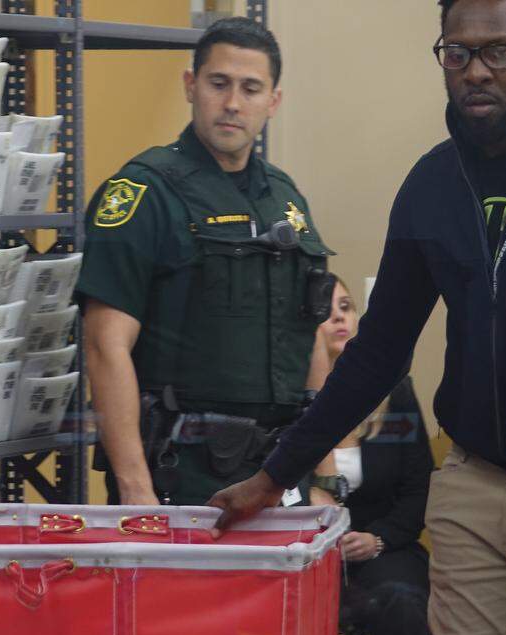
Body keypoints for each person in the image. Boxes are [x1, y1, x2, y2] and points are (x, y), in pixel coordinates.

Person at [208, 0, 506, 635]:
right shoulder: (432, 185)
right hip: (470, 488)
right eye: (456, 53)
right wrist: (274, 476)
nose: (474, 71)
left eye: (498, 51)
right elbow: (377, 352)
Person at [78, 16, 336, 507]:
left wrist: (323, 477)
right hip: (180, 476)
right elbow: (103, 345)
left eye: (251, 88)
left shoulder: (285, 198)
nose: (233, 103)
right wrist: (135, 489)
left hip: (277, 478)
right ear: (190, 86)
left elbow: (311, 343)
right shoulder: (144, 191)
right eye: (219, 83)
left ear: (273, 101)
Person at [313, 276, 433, 635]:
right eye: (326, 311)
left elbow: (419, 489)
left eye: (346, 307)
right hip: (309, 554)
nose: (340, 319)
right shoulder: (284, 398)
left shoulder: (395, 393)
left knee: (401, 602)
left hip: (383, 548)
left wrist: (377, 539)